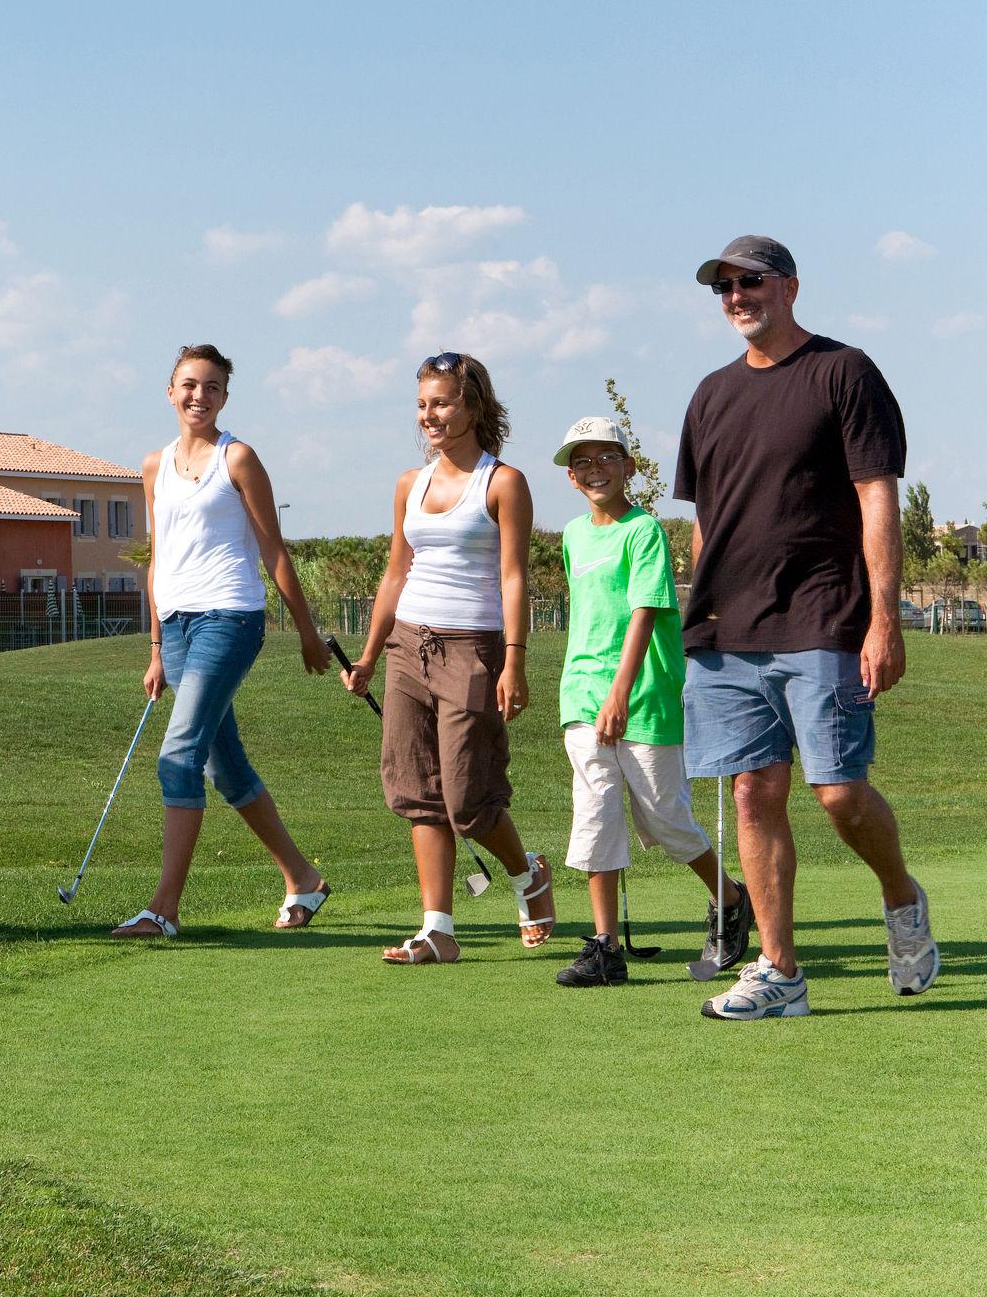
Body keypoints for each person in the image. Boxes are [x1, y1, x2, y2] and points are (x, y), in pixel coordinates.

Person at [677, 235, 936, 1018]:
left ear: (790, 286)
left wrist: (883, 619)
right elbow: (704, 521)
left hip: (823, 617)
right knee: (754, 792)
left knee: (838, 795)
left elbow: (875, 497)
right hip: (727, 632)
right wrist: (696, 609)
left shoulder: (842, 372)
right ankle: (780, 972)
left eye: (749, 281)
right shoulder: (710, 395)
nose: (735, 296)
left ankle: (900, 896)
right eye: (722, 285)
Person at [111, 344, 336, 938]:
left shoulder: (237, 458)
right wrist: (156, 648)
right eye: (189, 385)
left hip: (230, 618)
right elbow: (159, 558)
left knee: (177, 755)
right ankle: (303, 878)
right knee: (222, 765)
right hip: (180, 626)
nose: (198, 397)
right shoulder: (154, 465)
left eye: (211, 388)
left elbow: (274, 550)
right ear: (170, 391)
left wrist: (308, 635)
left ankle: (163, 910)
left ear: (224, 397)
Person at [342, 352, 555, 964]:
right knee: (416, 788)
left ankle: (528, 874)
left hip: (474, 646)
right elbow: (394, 572)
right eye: (421, 404)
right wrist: (368, 655)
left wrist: (515, 660)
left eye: (441, 403)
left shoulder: (503, 482)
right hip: (409, 644)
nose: (429, 416)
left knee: (468, 797)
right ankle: (438, 929)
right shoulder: (411, 484)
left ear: (473, 406)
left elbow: (514, 578)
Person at [547, 415, 750, 988]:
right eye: (581, 462)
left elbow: (643, 611)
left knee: (663, 819)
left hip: (644, 697)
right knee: (596, 814)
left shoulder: (645, 532)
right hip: (582, 695)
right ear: (570, 476)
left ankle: (731, 899)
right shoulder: (572, 535)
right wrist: (594, 694)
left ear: (628, 466)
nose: (594, 470)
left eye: (605, 457)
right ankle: (604, 948)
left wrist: (620, 692)